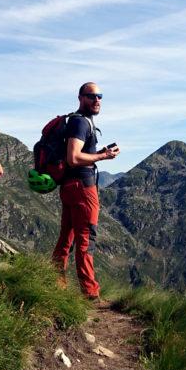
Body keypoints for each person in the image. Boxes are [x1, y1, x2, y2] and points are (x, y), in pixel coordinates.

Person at [51, 82, 119, 301]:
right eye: (92, 96)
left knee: (66, 238)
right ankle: (90, 292)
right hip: (83, 188)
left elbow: (78, 156)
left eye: (100, 96)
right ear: (81, 98)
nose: (97, 100)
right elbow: (73, 157)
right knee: (86, 239)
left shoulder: (76, 121)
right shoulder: (81, 122)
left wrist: (99, 152)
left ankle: (56, 283)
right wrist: (103, 157)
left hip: (70, 187)